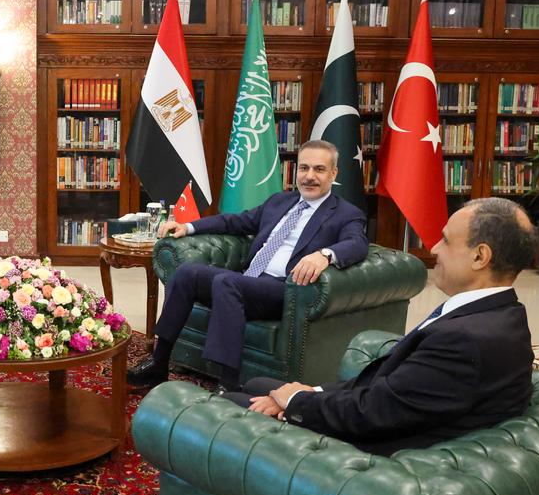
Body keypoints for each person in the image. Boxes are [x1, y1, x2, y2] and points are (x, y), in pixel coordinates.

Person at [229, 197, 538, 456]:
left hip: (368, 451)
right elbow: (394, 392)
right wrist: (313, 390)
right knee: (259, 386)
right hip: (385, 416)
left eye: (445, 240)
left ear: (480, 256)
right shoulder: (505, 314)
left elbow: (375, 413)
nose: (434, 249)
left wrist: (298, 403)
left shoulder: (464, 340)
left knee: (227, 405)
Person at [129, 140, 369, 392]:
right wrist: (188, 227)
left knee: (227, 281)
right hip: (248, 281)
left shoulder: (345, 213)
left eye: (319, 169)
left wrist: (325, 255)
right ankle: (159, 362)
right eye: (304, 168)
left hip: (283, 291)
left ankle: (228, 384)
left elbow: (358, 243)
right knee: (188, 272)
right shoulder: (280, 201)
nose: (309, 176)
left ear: (334, 173)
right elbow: (236, 221)